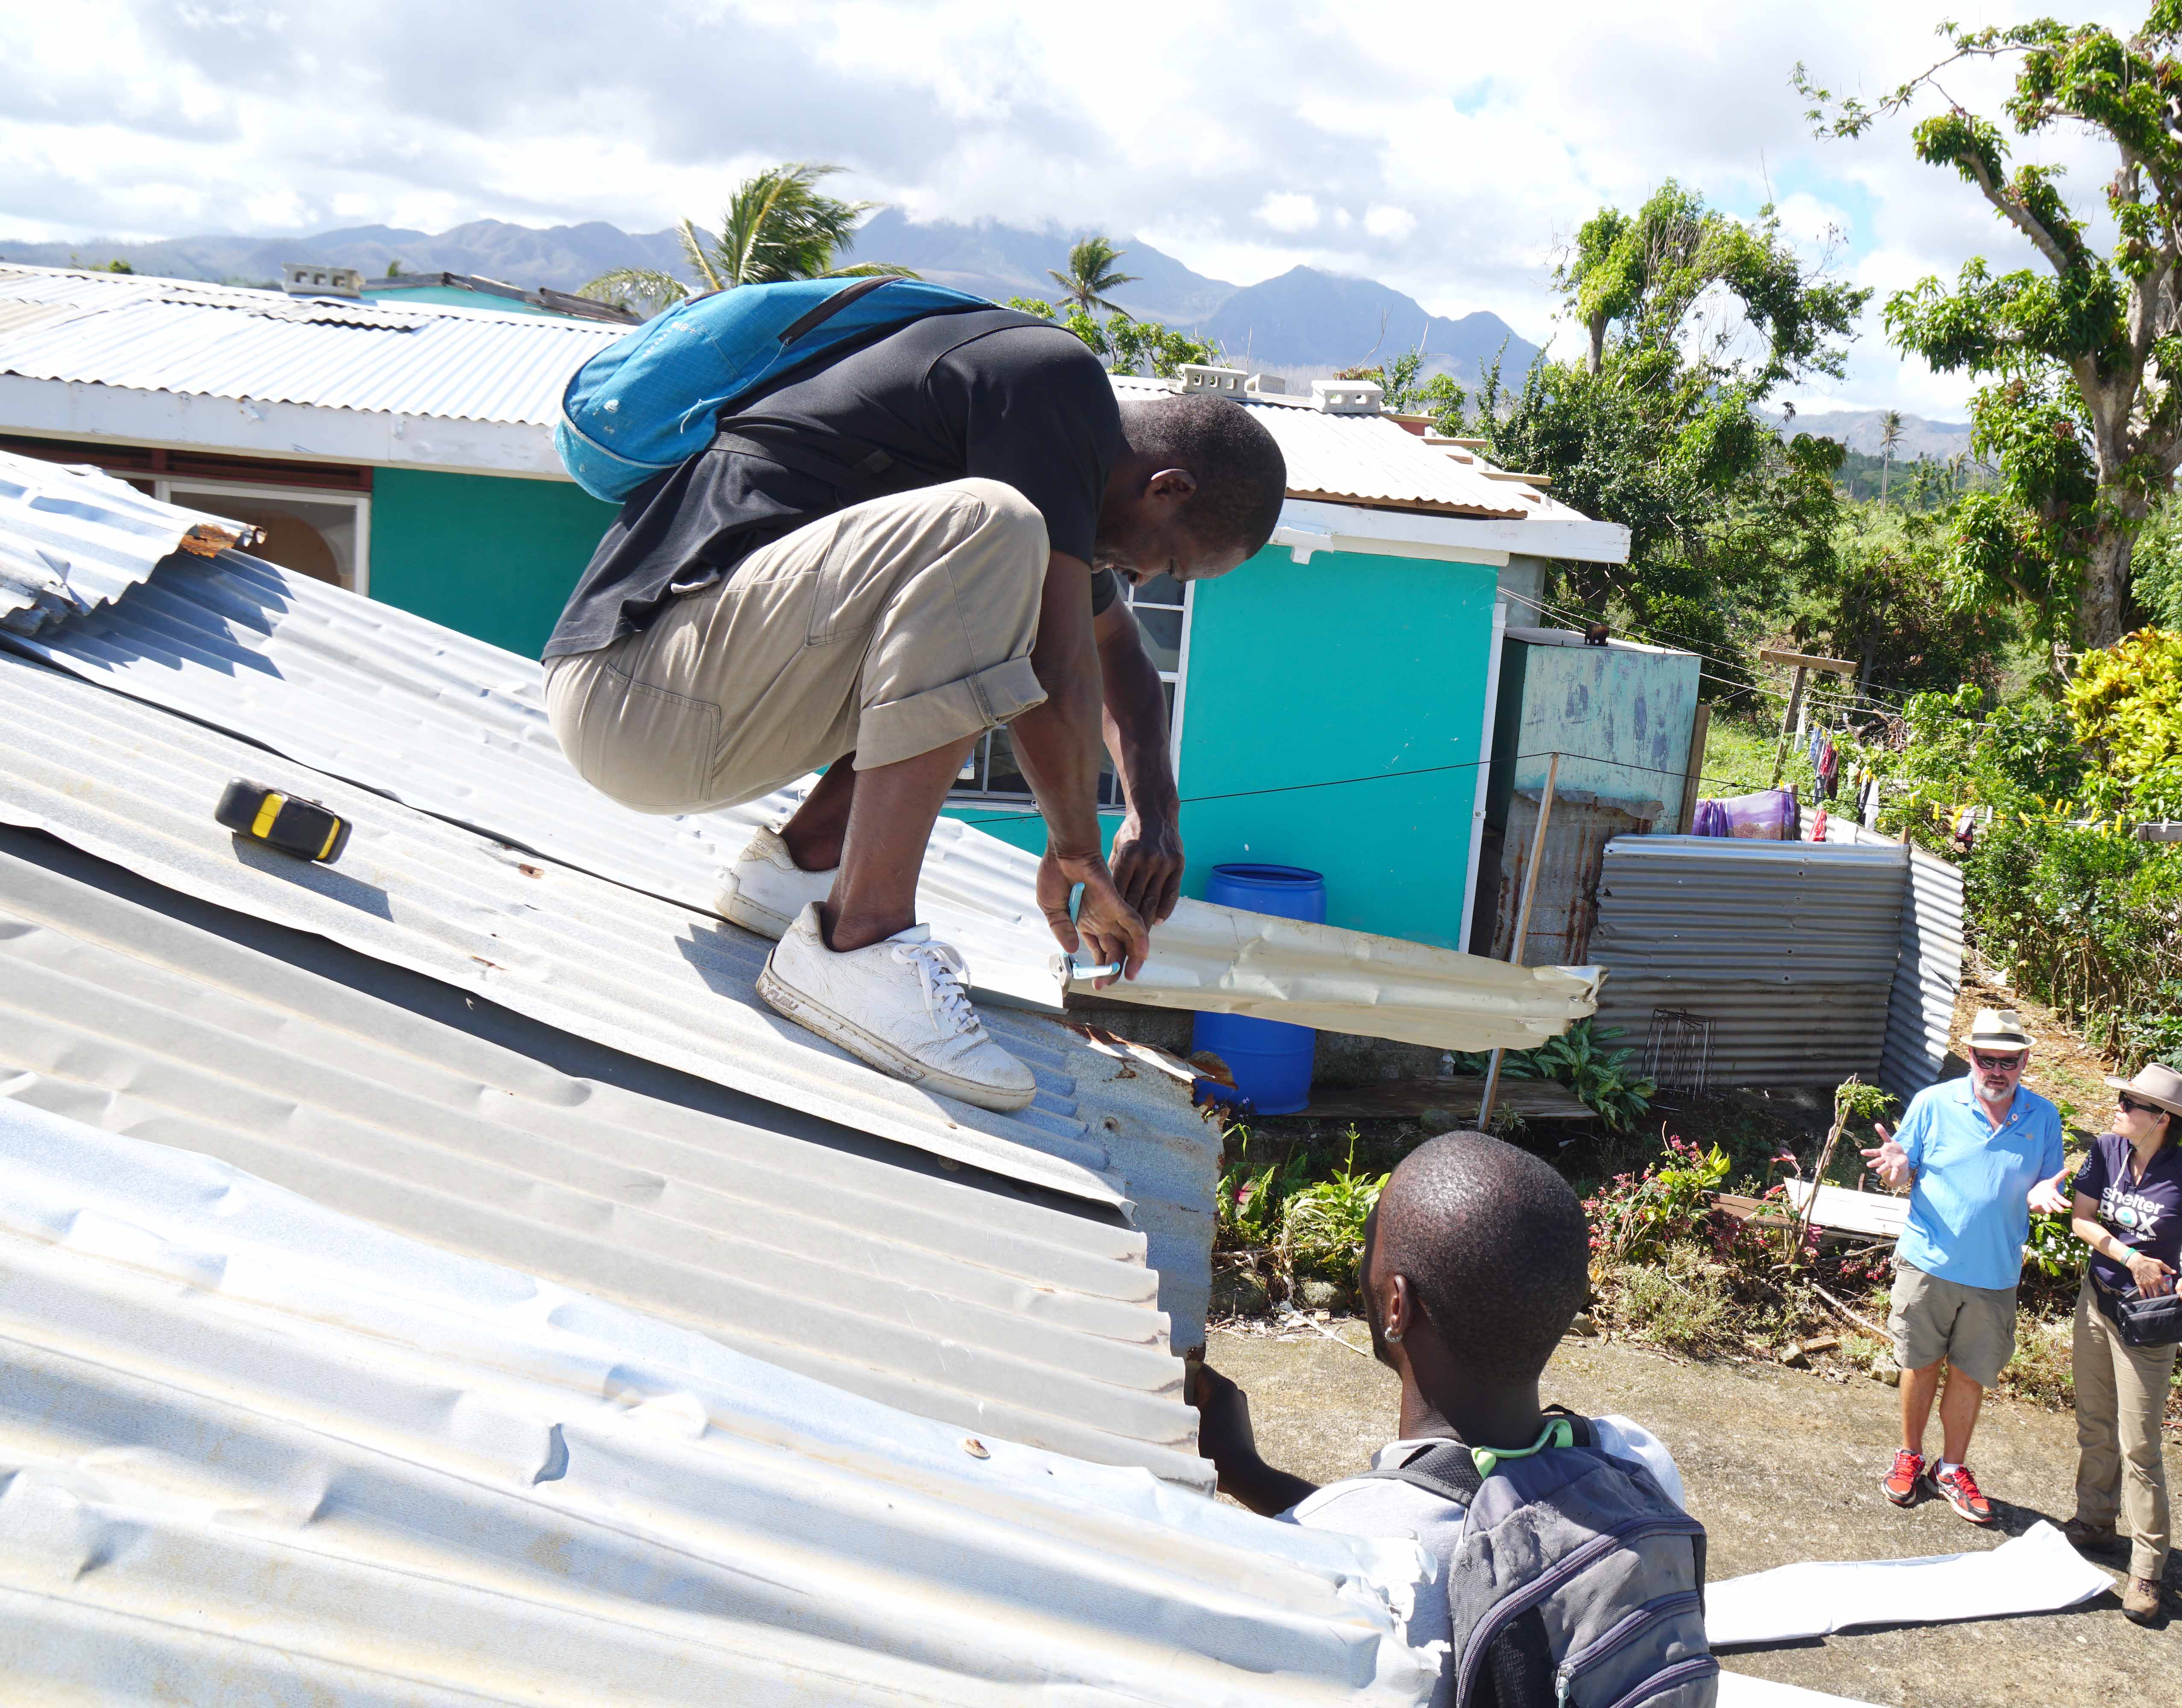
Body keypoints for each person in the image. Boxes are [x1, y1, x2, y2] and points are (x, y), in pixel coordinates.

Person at [541, 302, 1286, 1111]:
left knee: (1001, 600)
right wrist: (1078, 851)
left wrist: (1155, 815)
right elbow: (1062, 660)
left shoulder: (1034, 445)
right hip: (641, 688)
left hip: (685, 709)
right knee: (999, 543)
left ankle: (801, 871)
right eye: (1167, 560)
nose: (1144, 582)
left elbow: (1122, 660)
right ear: (1166, 487)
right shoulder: (1050, 381)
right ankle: (859, 944)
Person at [1192, 1132, 1689, 1708]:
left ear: (1397, 1306)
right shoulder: (1638, 1464)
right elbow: (1433, 1522)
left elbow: (1390, 1537)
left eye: (1372, 1241)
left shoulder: (1308, 1557)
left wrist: (1242, 1474)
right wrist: (1252, 1474)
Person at [1860, 1008, 2071, 1523]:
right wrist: (1897, 1168)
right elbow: (1901, 1165)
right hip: (1928, 1263)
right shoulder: (1933, 1103)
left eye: (2009, 1061)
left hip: (1995, 1273)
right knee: (1920, 1362)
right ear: (1971, 1056)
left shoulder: (2043, 1116)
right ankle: (1909, 1456)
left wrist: (2049, 1189)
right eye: (1985, 1059)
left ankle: (1950, 1468)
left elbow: (2052, 1179)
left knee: (1971, 1375)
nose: (1997, 1070)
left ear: (2024, 1061)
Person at [2064, 1062, 2182, 1625]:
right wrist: (2130, 1257)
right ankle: (2095, 1520)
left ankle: (2147, 1570)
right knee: (2094, 1423)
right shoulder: (2105, 1151)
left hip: (2147, 1323)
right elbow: (2082, 1221)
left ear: (2163, 1120)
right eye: (2123, 1098)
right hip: (2097, 1300)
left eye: (2131, 1102)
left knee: (2139, 1446)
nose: (2120, 1107)